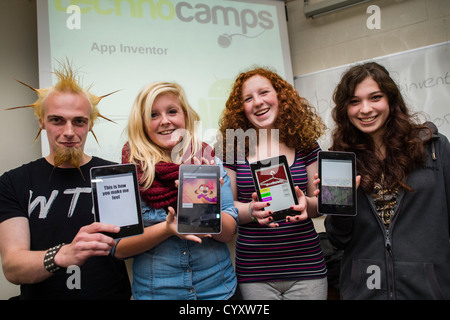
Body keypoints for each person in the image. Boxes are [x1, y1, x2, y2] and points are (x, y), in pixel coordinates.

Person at [0, 62, 131, 299]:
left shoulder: (115, 175)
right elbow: (12, 267)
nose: (69, 131)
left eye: (79, 121)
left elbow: (130, 245)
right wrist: (62, 255)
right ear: (41, 122)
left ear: (90, 124)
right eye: (57, 120)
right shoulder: (14, 182)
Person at [325, 62, 450, 299]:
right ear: (345, 109)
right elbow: (338, 238)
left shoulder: (434, 147)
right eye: (354, 101)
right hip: (365, 291)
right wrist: (339, 203)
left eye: (375, 97)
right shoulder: (339, 161)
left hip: (427, 290)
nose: (365, 109)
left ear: (391, 100)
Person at [114, 82, 238, 300]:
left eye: (172, 111)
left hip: (219, 291)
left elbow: (228, 233)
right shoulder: (129, 173)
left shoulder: (210, 162)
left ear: (185, 117)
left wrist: (203, 204)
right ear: (142, 124)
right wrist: (167, 229)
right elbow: (120, 249)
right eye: (153, 115)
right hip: (157, 294)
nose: (165, 120)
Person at [216, 67, 328, 300]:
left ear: (280, 97)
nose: (258, 102)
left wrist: (307, 204)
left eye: (264, 92)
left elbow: (321, 204)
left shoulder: (305, 144)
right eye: (248, 98)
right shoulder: (231, 149)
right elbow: (226, 208)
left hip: (307, 267)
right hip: (255, 272)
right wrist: (250, 210)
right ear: (241, 109)